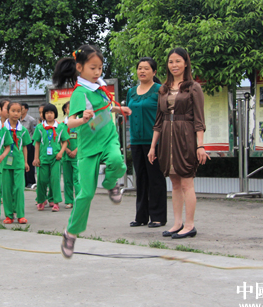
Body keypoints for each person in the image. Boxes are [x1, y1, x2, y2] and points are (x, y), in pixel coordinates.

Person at [53, 44, 131, 258]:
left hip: (108, 137)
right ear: (79, 68)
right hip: (88, 146)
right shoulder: (80, 93)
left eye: (100, 68)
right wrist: (82, 119)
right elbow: (70, 122)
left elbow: (103, 108)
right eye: (93, 68)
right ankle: (71, 233)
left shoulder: (100, 86)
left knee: (118, 162)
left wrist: (119, 109)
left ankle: (110, 183)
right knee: (86, 194)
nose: (97, 72)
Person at [148, 47, 209, 239]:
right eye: (171, 61)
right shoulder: (163, 89)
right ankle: (177, 223)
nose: (174, 65)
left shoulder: (193, 87)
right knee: (174, 182)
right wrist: (153, 146)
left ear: (185, 63)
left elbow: (199, 120)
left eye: (178, 61)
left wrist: (200, 145)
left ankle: (190, 225)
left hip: (186, 136)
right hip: (167, 137)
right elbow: (158, 121)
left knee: (186, 182)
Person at [127, 57, 168, 228]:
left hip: (155, 142)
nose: (142, 71)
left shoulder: (160, 90)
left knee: (155, 178)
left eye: (146, 68)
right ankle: (141, 216)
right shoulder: (131, 92)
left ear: (154, 72)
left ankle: (158, 217)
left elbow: (165, 115)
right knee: (141, 178)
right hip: (136, 141)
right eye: (140, 68)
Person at [33, 103, 69, 212]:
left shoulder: (60, 127)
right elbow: (37, 143)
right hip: (43, 158)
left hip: (55, 158)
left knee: (55, 180)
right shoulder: (40, 127)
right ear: (44, 115)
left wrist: (61, 153)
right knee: (42, 180)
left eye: (51, 113)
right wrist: (36, 158)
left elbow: (65, 142)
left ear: (55, 114)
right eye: (47, 113)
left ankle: (56, 202)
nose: (49, 115)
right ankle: (41, 200)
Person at [2, 101, 32, 224]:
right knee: (7, 190)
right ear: (8, 112)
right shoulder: (2, 129)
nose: (16, 113)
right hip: (5, 163)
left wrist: (26, 162)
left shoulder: (23, 130)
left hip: (19, 162)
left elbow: (25, 146)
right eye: (13, 111)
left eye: (18, 111)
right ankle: (9, 215)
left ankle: (20, 215)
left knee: (19, 189)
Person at [61, 101, 80, 209]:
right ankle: (69, 201)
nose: (72, 110)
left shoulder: (80, 123)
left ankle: (79, 201)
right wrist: (67, 150)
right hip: (66, 156)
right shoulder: (61, 125)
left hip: (77, 156)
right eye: (69, 108)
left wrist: (76, 150)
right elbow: (59, 140)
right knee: (67, 180)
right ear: (65, 110)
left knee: (77, 179)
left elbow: (84, 139)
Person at [21, 103, 38, 188]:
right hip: (21, 143)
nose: (20, 110)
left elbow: (34, 133)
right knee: (23, 162)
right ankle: (24, 181)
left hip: (30, 143)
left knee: (30, 162)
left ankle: (31, 181)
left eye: (22, 108)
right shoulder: (18, 120)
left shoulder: (31, 120)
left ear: (26, 109)